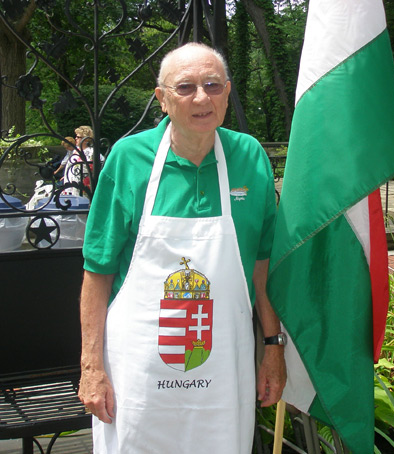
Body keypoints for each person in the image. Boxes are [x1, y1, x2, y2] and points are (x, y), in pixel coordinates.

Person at [78, 42, 286, 454]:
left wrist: (272, 349)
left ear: (227, 91)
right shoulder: (128, 158)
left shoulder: (250, 158)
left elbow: (262, 270)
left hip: (224, 374)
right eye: (186, 87)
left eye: (212, 84)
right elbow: (97, 270)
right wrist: (91, 366)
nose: (201, 98)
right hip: (136, 378)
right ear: (162, 98)